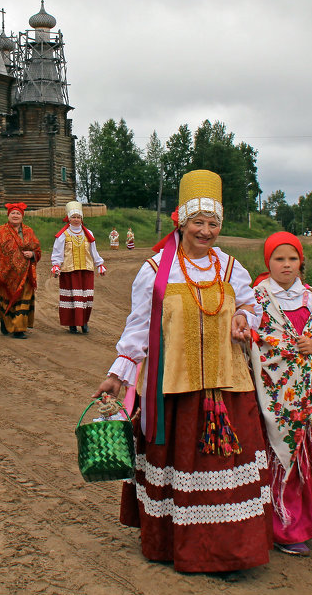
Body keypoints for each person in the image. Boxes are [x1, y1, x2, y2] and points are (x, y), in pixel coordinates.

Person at [93, 170, 271, 574]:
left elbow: (250, 306)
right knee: (183, 473)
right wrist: (118, 375)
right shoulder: (156, 271)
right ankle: (178, 544)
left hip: (229, 392)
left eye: (213, 224)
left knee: (227, 473)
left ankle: (232, 551)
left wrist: (243, 317)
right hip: (176, 392)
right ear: (182, 222)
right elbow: (138, 329)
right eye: (198, 223)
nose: (206, 232)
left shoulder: (230, 269)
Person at [249, 232, 312, 556]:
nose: (286, 265)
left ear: (301, 261)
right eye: (279, 259)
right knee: (275, 453)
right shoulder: (257, 298)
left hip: (307, 392)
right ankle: (277, 527)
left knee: (303, 455)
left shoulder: (310, 297)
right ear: (268, 262)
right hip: (271, 393)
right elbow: (253, 338)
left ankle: (296, 524)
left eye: (292, 259)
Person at [0, 202, 42, 339]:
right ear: (8, 215)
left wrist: (32, 255)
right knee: (6, 300)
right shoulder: (0, 231)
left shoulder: (29, 232)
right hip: (5, 275)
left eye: (18, 214)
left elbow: (37, 250)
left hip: (25, 274)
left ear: (22, 216)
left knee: (23, 300)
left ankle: (19, 329)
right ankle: (5, 321)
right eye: (13, 213)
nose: (15, 216)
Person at [50, 201, 106, 334]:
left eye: (78, 217)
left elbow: (93, 250)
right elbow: (58, 252)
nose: (76, 220)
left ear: (82, 219)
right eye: (73, 217)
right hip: (70, 271)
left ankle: (84, 322)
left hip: (86, 270)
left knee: (86, 298)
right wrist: (56, 265)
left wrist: (99, 264)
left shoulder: (88, 233)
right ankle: (72, 324)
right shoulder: (63, 234)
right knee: (72, 298)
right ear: (69, 218)